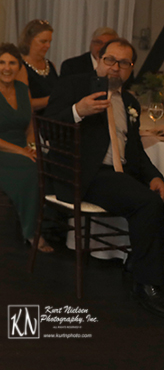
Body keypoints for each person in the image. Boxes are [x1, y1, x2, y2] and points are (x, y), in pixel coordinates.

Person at [46, 38, 164, 317]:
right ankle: (148, 284)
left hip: (119, 175)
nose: (115, 68)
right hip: (84, 174)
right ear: (98, 60)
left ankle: (140, 261)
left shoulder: (130, 100)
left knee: (156, 195)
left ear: (130, 69)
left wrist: (156, 177)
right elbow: (48, 130)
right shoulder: (73, 85)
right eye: (110, 59)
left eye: (124, 63)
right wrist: (78, 111)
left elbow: (136, 153)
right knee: (147, 204)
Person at [0, 43, 52, 252]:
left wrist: (32, 145)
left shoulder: (23, 89)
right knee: (30, 170)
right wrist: (21, 151)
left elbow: (30, 125)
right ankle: (31, 231)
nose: (6, 68)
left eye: (12, 63)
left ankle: (47, 221)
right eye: (2, 62)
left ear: (19, 67)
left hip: (19, 145)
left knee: (49, 165)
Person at [15, 19, 58, 112]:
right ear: (29, 41)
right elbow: (24, 103)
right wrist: (54, 99)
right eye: (43, 41)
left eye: (49, 42)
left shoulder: (51, 65)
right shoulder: (20, 67)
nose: (48, 46)